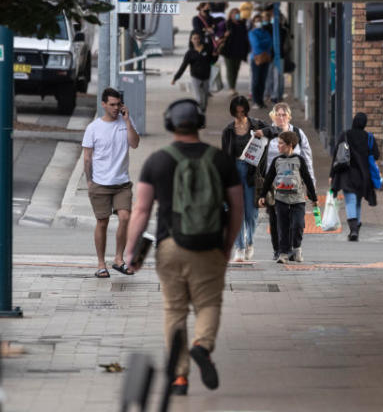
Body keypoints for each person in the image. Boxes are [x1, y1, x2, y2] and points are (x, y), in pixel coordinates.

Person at [124, 99, 242, 396]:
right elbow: (238, 209)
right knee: (209, 304)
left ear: (169, 124)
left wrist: (130, 252)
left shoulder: (157, 161)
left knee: (174, 310)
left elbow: (141, 211)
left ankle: (179, 377)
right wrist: (228, 244)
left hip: (170, 246)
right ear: (200, 123)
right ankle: (202, 345)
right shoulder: (220, 160)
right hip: (210, 245)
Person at [82, 87, 140, 278]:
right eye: (112, 105)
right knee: (102, 222)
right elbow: (87, 157)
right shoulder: (93, 128)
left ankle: (118, 259)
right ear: (104, 104)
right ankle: (100, 264)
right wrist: (90, 182)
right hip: (100, 183)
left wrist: (128, 121)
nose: (116, 108)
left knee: (124, 217)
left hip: (122, 183)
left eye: (118, 104)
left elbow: (135, 143)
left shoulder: (125, 123)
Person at [259, 102, 315, 260]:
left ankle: (292, 247)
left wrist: (312, 186)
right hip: (273, 183)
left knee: (294, 220)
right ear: (273, 116)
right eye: (278, 115)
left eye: (284, 115)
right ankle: (279, 250)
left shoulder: (297, 133)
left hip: (295, 183)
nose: (281, 118)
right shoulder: (267, 133)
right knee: (276, 218)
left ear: (289, 117)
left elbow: (307, 159)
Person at [221, 96, 269, 262]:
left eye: (242, 112)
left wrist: (263, 132)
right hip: (234, 173)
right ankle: (239, 247)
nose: (240, 115)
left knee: (251, 213)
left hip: (251, 173)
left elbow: (275, 132)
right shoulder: (228, 130)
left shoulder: (257, 125)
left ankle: (250, 242)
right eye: (236, 112)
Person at [329, 112, 380, 242]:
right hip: (363, 176)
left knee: (350, 201)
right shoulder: (368, 137)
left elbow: (337, 155)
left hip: (347, 174)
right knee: (357, 201)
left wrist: (332, 174)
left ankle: (353, 229)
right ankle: (356, 227)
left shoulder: (345, 135)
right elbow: (376, 155)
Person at [172, 30, 218, 112]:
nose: (196, 40)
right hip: (195, 77)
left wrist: (215, 56)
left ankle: (202, 113)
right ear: (191, 40)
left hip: (206, 77)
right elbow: (183, 67)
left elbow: (212, 61)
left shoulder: (207, 49)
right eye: (194, 39)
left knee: (205, 100)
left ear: (201, 39)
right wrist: (175, 78)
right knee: (199, 99)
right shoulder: (190, 53)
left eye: (198, 38)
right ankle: (199, 115)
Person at [219, 7, 250, 97]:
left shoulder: (242, 24)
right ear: (230, 15)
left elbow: (245, 36)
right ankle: (231, 87)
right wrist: (224, 35)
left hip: (239, 50)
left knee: (236, 69)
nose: (236, 15)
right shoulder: (226, 24)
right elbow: (219, 33)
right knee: (230, 69)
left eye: (237, 13)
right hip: (228, 50)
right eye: (234, 13)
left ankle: (233, 86)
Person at [248, 13, 273, 109]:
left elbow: (270, 42)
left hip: (266, 58)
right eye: (257, 21)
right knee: (256, 80)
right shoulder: (252, 33)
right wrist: (264, 43)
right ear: (254, 23)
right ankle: (255, 101)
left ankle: (261, 101)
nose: (259, 23)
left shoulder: (265, 32)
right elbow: (256, 45)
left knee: (263, 80)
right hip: (256, 59)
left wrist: (262, 42)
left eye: (260, 21)